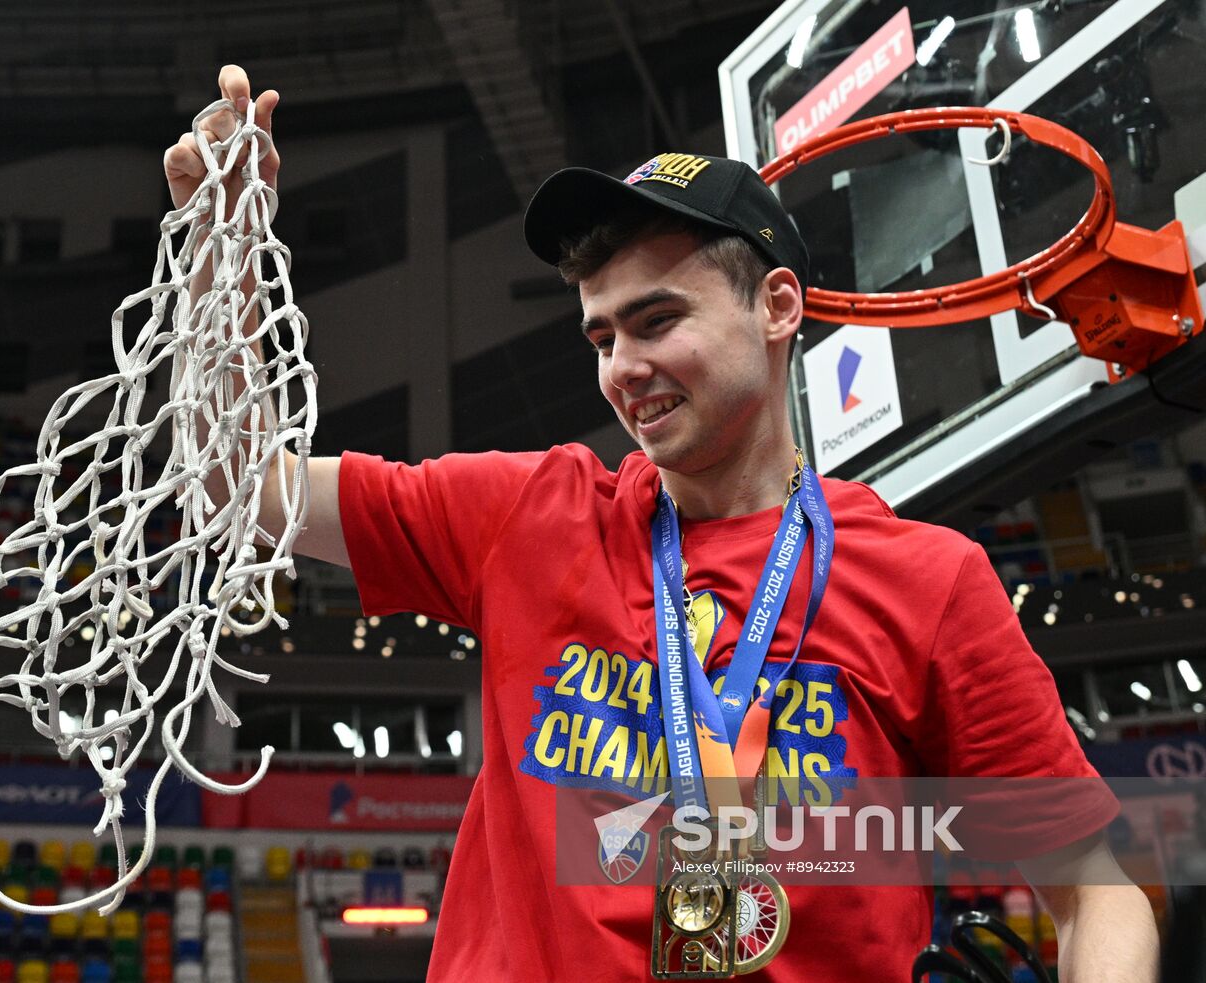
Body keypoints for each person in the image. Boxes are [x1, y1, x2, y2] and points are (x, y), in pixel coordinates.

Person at [164, 67, 1159, 981]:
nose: (618, 369)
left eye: (654, 321)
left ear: (774, 306)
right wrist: (219, 255)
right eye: (600, 335)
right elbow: (240, 482)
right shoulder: (529, 513)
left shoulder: (926, 580)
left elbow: (1096, 886)